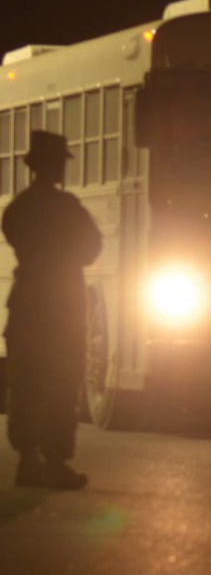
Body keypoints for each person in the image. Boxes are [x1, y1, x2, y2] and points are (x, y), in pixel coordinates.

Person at [3, 130, 102, 490]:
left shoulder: (21, 207)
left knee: (27, 382)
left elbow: (12, 229)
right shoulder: (68, 208)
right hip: (62, 307)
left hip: (28, 304)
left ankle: (28, 458)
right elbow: (92, 247)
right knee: (61, 382)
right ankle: (56, 459)